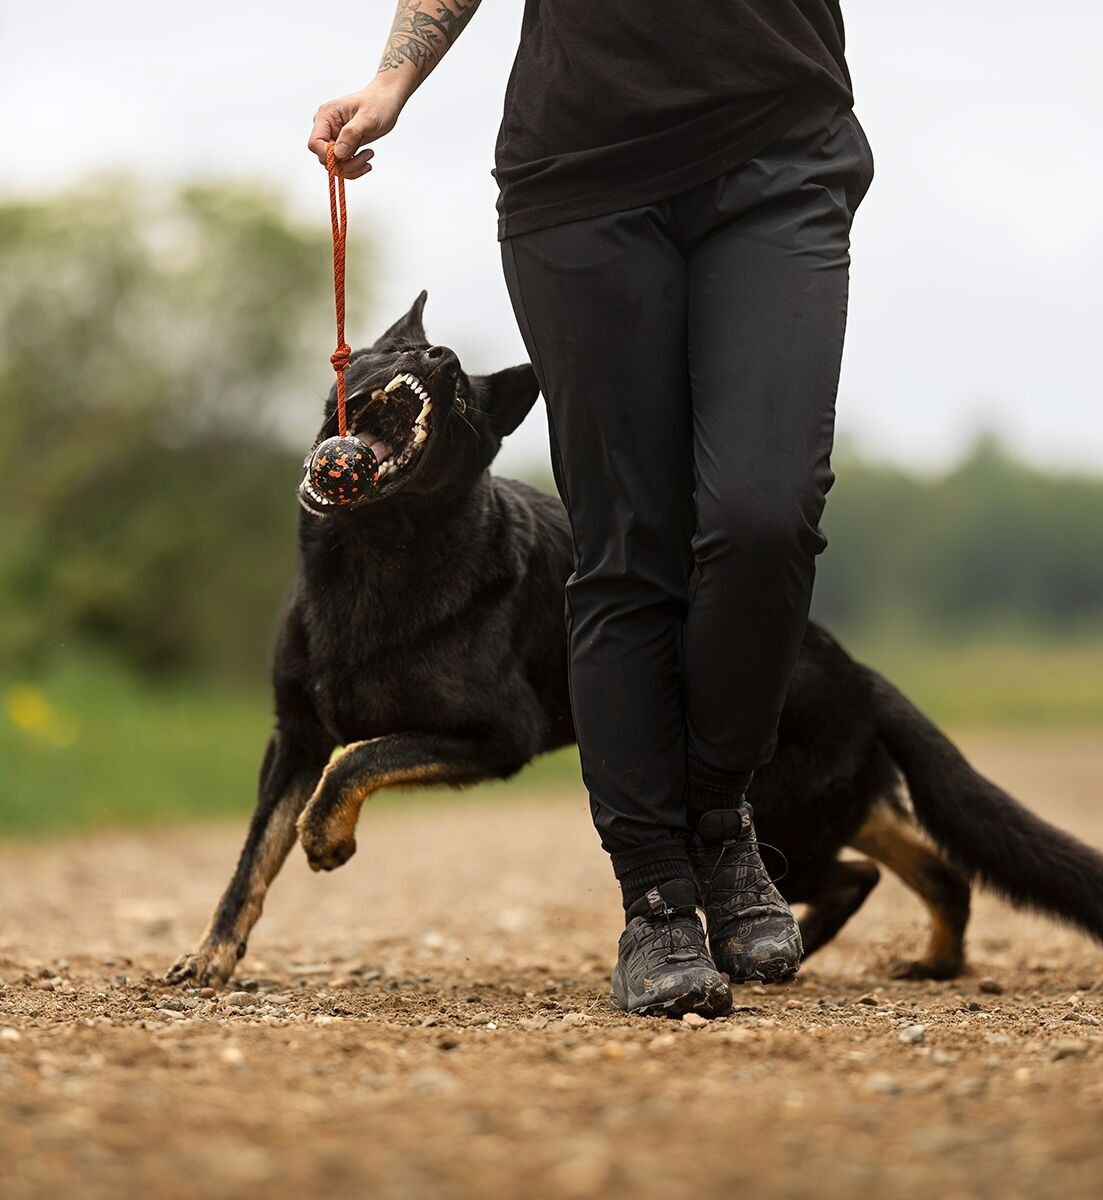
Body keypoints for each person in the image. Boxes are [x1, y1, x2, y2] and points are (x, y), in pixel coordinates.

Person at [308, 1, 873, 1018]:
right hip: (583, 177)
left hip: (782, 150)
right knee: (626, 541)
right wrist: (394, 79)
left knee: (763, 516)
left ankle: (719, 814)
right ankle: (656, 897)